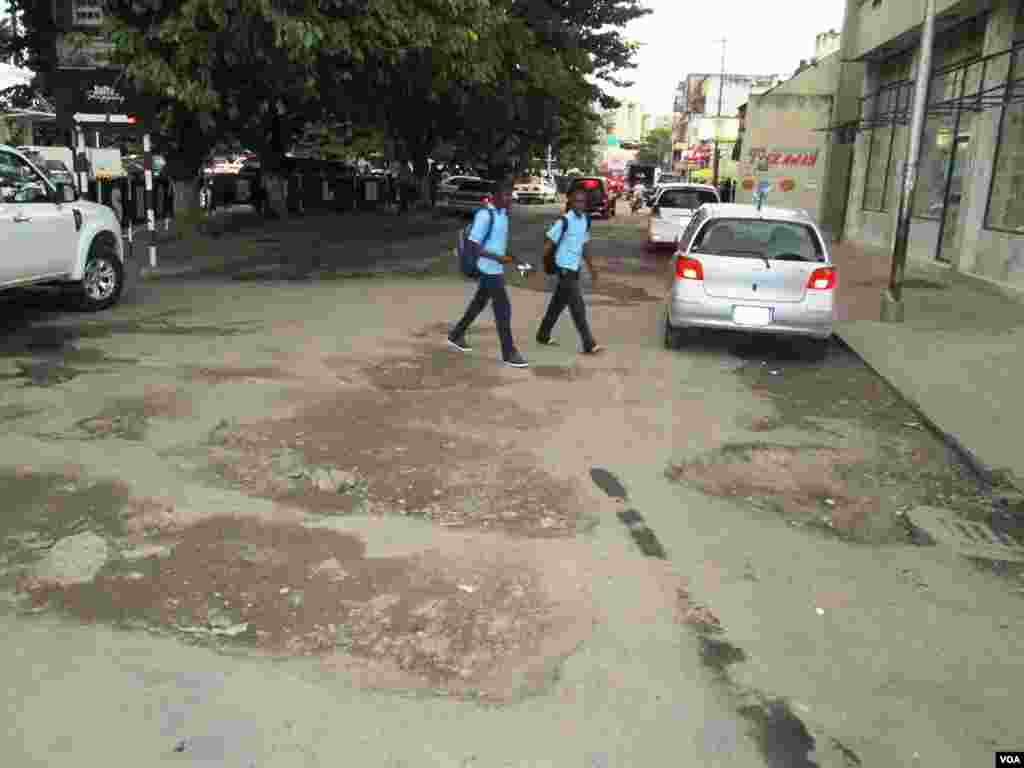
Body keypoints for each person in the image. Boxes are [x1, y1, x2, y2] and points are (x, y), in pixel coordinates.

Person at [447, 178, 529, 368]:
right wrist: (496, 258)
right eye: (506, 195)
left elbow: (498, 244)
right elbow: (473, 246)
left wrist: (514, 259)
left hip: (495, 268)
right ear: (495, 196)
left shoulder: (503, 215)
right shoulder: (485, 216)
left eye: (511, 194)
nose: (510, 198)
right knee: (503, 309)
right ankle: (509, 353)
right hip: (487, 269)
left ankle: (456, 334)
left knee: (478, 304)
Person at [536, 189, 602, 354]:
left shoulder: (585, 220)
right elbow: (548, 244)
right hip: (563, 269)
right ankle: (589, 343)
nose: (580, 205)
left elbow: (584, 245)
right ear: (571, 203)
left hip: (574, 269)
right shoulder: (564, 221)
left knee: (557, 305)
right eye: (576, 201)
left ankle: (543, 334)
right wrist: (539, 268)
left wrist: (592, 268)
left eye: (582, 202)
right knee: (577, 306)